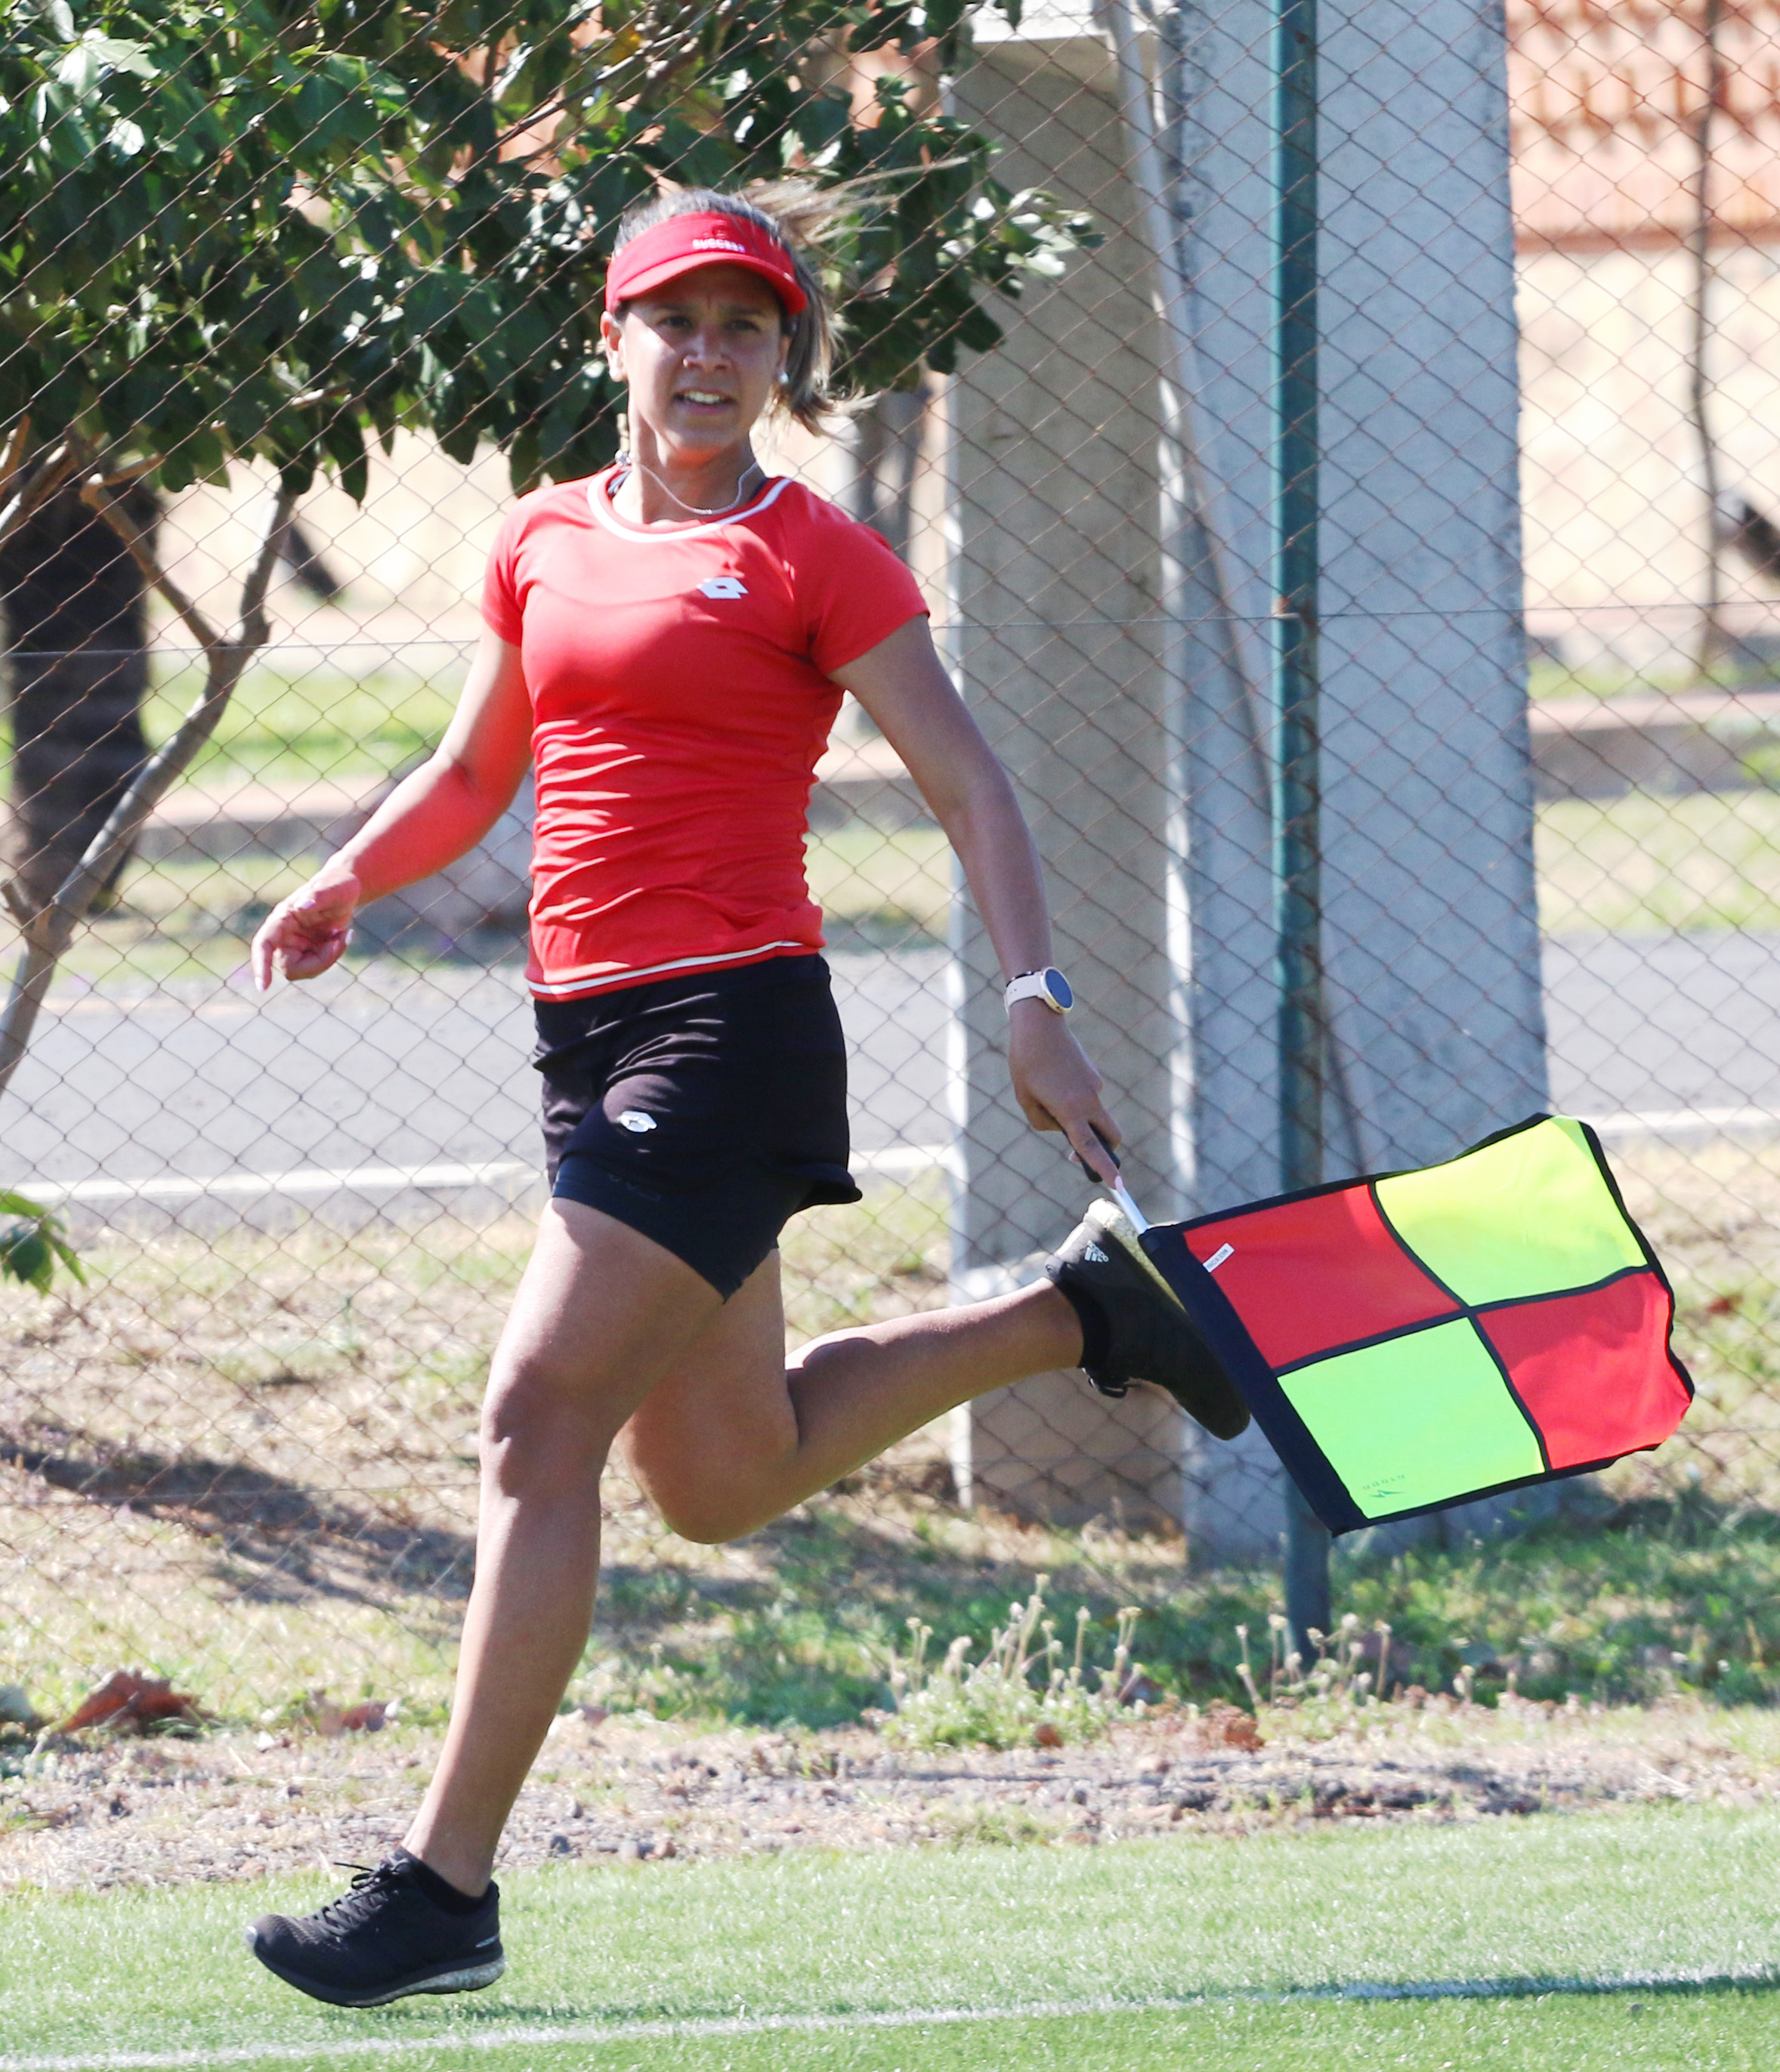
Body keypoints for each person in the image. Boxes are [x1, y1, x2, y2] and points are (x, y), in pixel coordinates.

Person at [242, 183, 1247, 2010]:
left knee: (533, 1423)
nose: (710, 355)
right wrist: (349, 880)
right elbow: (479, 767)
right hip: (587, 1038)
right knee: (723, 1476)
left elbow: (973, 787)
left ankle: (440, 1890)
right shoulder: (541, 538)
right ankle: (1083, 1314)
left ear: (786, 360)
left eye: (747, 327)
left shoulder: (811, 556)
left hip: (731, 1027)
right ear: (613, 342)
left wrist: (1040, 1003)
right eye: (677, 321)